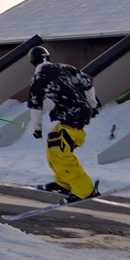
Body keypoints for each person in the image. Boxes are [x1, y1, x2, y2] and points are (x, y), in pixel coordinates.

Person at [27, 45, 102, 203]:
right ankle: (64, 183)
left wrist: (37, 129)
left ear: (32, 62)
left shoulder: (38, 79)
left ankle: (85, 190)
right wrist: (93, 105)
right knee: (52, 147)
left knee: (61, 153)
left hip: (72, 115)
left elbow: (35, 107)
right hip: (74, 113)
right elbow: (87, 83)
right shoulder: (64, 68)